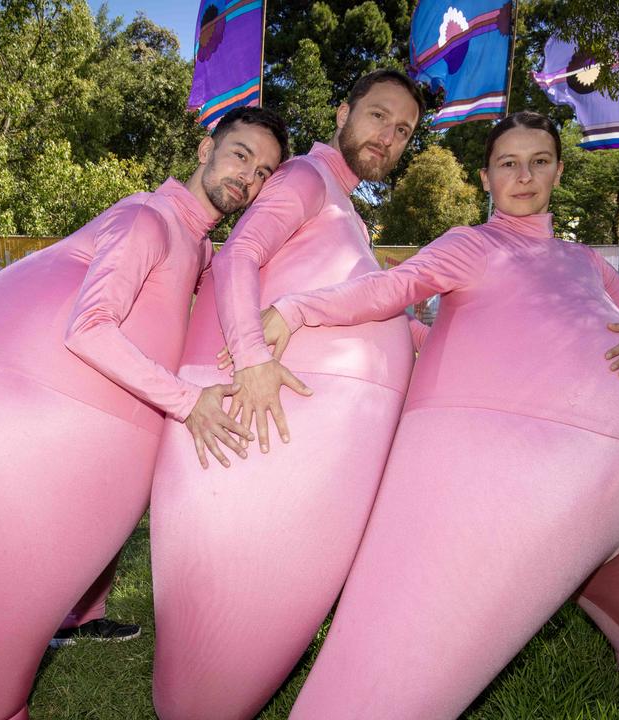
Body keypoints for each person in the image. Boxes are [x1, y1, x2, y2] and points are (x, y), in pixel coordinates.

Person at [261, 110, 619, 719]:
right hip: (528, 462)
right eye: (508, 163)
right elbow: (388, 290)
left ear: (558, 171)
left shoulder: (584, 261)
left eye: (539, 161)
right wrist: (297, 308)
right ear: (486, 177)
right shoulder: (471, 244)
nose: (524, 175)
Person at [0, 106, 288, 720]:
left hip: (83, 417)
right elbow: (89, 329)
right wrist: (188, 402)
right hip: (2, 396)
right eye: (240, 156)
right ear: (207, 148)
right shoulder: (148, 222)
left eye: (262, 173)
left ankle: (76, 617)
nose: (247, 178)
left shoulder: (198, 246)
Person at [147, 70, 428, 720]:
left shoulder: (344, 207)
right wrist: (250, 359)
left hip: (306, 428)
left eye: (403, 129)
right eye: (378, 115)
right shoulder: (306, 178)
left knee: (244, 628)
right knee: (216, 647)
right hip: (255, 405)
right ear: (341, 111)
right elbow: (241, 251)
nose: (387, 135)